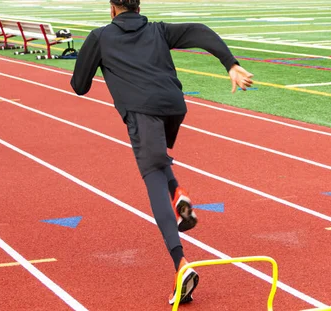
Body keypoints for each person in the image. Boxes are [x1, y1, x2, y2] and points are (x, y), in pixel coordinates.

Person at [70, 0, 254, 305]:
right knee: (158, 157)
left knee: (152, 171)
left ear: (112, 8)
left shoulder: (99, 37)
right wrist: (230, 64)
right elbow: (199, 31)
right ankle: (177, 193)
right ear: (138, 6)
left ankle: (180, 264)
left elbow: (79, 86)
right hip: (173, 107)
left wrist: (95, 57)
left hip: (143, 113)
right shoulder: (157, 31)